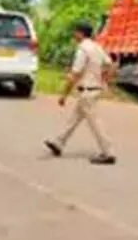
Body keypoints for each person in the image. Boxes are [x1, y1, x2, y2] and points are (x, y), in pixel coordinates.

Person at [44, 21, 116, 165]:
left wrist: (64, 95)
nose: (74, 35)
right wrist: (104, 80)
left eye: (75, 32)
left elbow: (75, 74)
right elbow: (109, 64)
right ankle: (59, 142)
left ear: (80, 33)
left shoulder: (82, 50)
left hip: (87, 90)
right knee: (74, 118)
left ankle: (108, 152)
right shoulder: (97, 47)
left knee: (95, 123)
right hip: (93, 90)